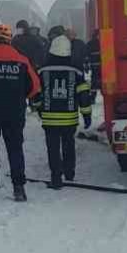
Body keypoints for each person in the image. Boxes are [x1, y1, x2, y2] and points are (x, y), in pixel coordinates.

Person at [0, 23, 40, 201]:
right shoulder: (21, 60)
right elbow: (34, 86)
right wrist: (21, 97)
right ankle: (18, 187)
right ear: (9, 40)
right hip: (15, 111)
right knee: (15, 147)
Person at [36, 35, 94, 189]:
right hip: (69, 119)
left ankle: (56, 177)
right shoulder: (76, 72)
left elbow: (36, 94)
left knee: (53, 147)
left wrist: (39, 109)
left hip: (49, 119)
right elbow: (83, 97)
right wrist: (87, 115)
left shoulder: (42, 72)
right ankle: (69, 173)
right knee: (68, 145)